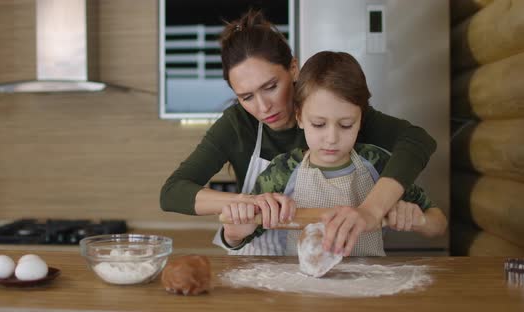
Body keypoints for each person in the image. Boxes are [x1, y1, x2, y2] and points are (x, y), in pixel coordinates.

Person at [160, 10, 437, 253]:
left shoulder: (333, 108)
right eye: (247, 97)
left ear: (293, 68)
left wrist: (372, 210)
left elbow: (417, 140)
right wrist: (246, 203)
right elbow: (172, 192)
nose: (263, 106)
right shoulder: (237, 123)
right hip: (262, 263)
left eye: (270, 87)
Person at [219, 51, 448, 256]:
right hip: (298, 293)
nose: (332, 138)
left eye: (346, 124)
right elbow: (239, 237)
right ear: (299, 117)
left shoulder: (377, 163)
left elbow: (438, 224)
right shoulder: (281, 172)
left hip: (367, 290)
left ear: (361, 120)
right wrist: (235, 231)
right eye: (318, 124)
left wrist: (415, 219)